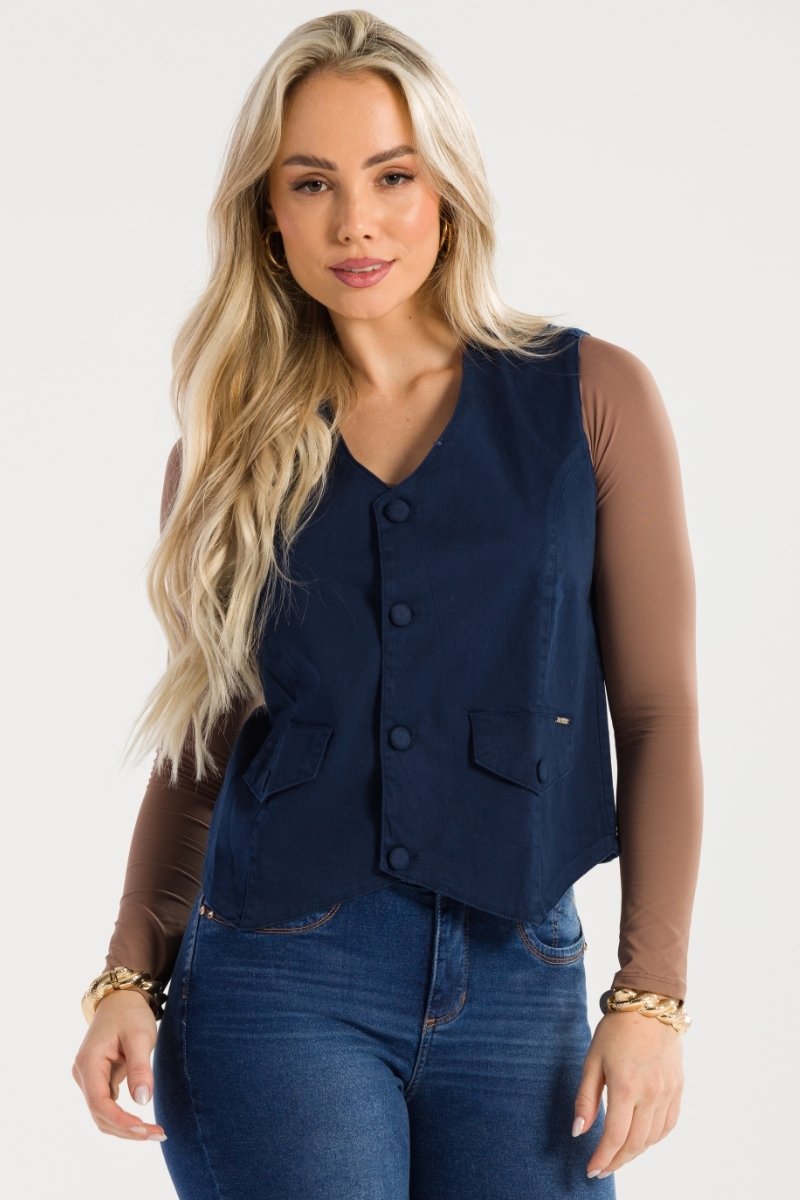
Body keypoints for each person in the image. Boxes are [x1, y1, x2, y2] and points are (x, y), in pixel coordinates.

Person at [71, 10, 703, 1198]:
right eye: (311, 183)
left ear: (446, 192)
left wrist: (650, 995)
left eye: (392, 176)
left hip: (524, 980)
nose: (353, 222)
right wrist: (126, 975)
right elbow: (202, 747)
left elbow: (657, 712)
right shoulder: (223, 454)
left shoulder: (590, 398)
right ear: (267, 213)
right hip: (275, 985)